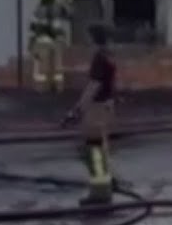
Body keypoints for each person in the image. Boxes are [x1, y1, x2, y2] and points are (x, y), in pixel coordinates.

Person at [62, 22, 117, 206]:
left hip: (97, 108)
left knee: (93, 149)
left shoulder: (99, 59)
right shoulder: (108, 56)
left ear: (94, 39)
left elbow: (94, 86)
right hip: (107, 105)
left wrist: (77, 109)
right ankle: (106, 184)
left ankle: (99, 193)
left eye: (88, 37)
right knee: (101, 147)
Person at [29, 0, 71, 92]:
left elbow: (33, 26)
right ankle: (58, 87)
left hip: (43, 40)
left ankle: (42, 88)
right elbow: (68, 16)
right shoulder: (59, 7)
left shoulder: (38, 9)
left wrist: (32, 42)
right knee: (57, 65)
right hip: (57, 39)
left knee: (43, 66)